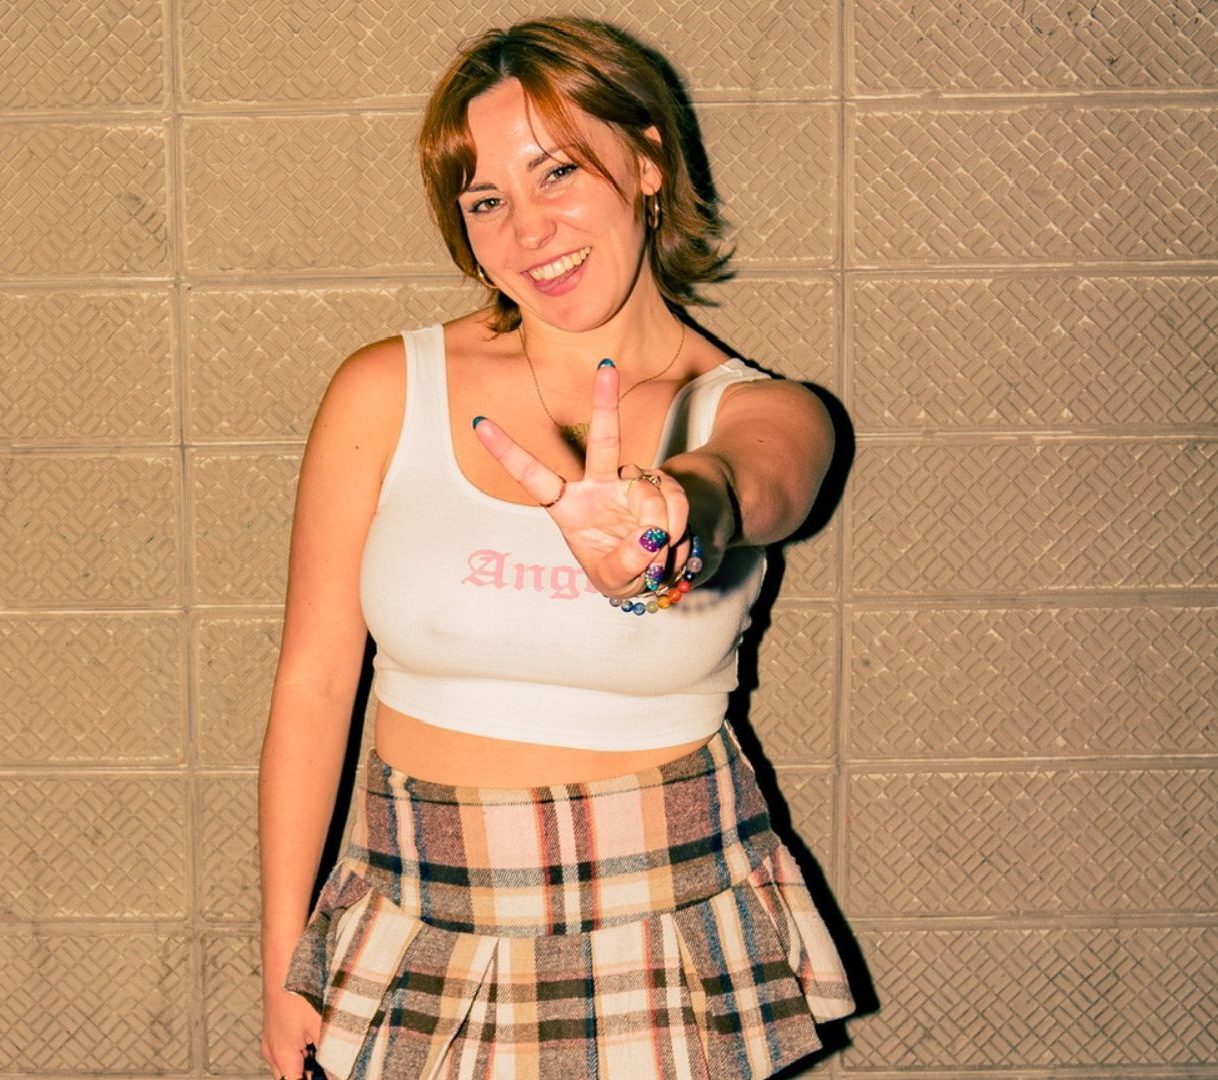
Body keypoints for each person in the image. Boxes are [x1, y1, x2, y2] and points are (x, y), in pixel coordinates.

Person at [257, 16, 856, 1080]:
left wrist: (673, 520)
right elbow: (313, 684)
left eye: (559, 172)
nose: (529, 230)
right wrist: (280, 965)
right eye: (486, 199)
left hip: (661, 927)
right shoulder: (385, 389)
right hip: (412, 911)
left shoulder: (756, 409)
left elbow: (757, 481)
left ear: (648, 161)